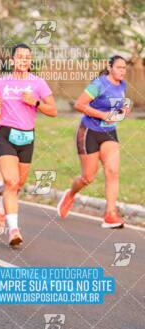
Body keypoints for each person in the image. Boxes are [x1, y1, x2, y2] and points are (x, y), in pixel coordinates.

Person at [0, 43, 57, 247]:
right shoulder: (1, 82)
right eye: (20, 56)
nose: (24, 60)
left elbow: (53, 110)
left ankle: (0, 208)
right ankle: (14, 230)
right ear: (12, 60)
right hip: (6, 136)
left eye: (28, 57)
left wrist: (34, 102)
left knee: (18, 185)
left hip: (27, 139)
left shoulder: (38, 83)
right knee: (10, 182)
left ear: (30, 61)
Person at [57, 55, 130, 228]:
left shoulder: (123, 85)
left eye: (124, 68)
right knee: (88, 177)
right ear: (110, 67)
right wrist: (103, 115)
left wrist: (122, 110)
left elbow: (118, 105)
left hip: (109, 133)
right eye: (119, 67)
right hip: (89, 131)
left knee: (112, 171)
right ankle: (70, 194)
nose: (122, 71)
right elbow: (79, 105)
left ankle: (110, 215)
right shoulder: (99, 84)